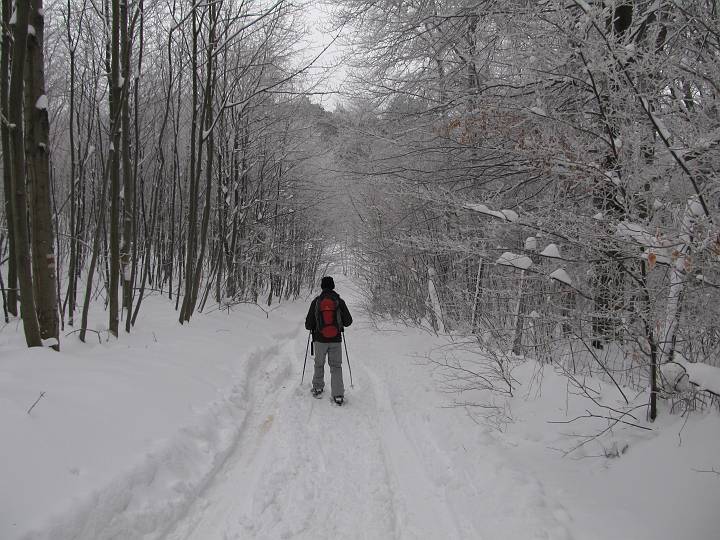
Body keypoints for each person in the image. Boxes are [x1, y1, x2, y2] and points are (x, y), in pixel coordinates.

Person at [305, 276, 352, 405]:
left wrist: (315, 326)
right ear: (333, 286)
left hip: (319, 340)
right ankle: (338, 395)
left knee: (319, 364)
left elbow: (308, 325)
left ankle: (318, 387)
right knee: (336, 366)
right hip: (335, 339)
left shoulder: (316, 301)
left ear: (322, 286)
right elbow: (349, 321)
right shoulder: (339, 301)